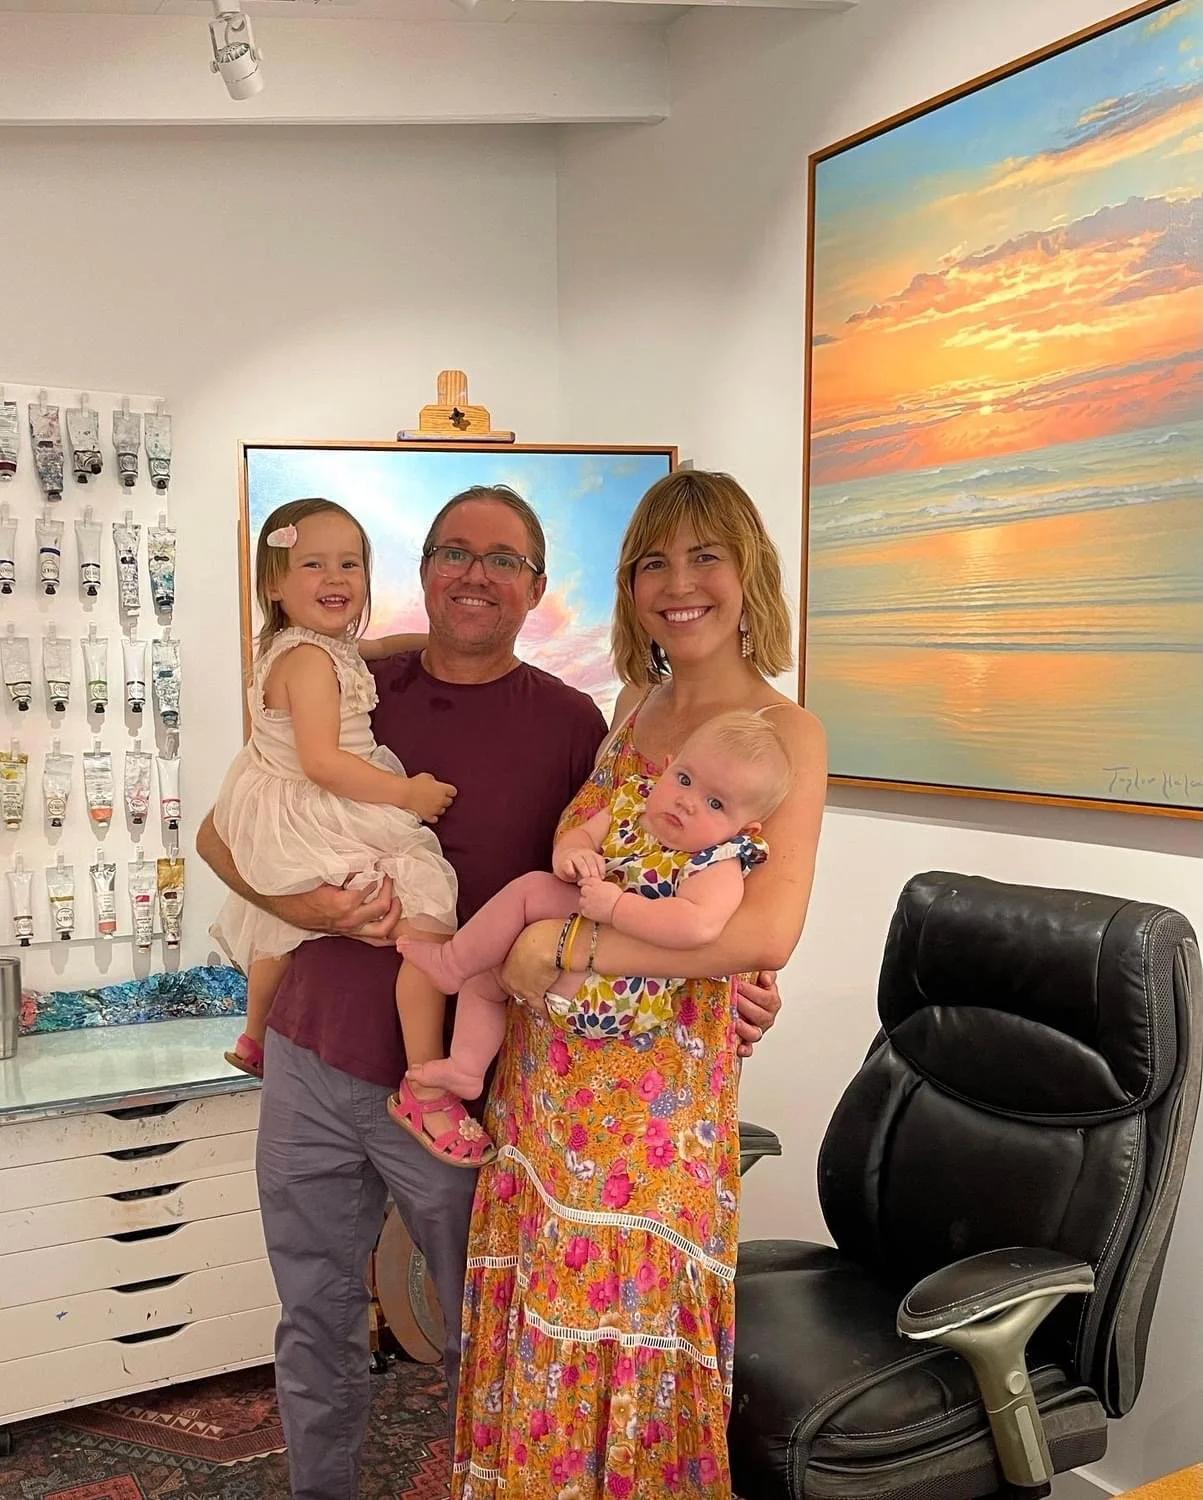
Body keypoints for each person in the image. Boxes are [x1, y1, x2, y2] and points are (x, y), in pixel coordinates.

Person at [198, 481, 784, 1500]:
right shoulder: (348, 683)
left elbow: (649, 869)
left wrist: (737, 977)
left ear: (536, 586)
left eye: (504, 559)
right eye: (454, 553)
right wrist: (312, 909)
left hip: (469, 1090)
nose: (476, 575)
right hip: (315, 1059)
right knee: (315, 1317)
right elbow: (220, 837)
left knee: (490, 1332)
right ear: (422, 572)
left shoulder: (576, 724)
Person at [451, 470, 827, 1500]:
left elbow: (764, 929)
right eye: (652, 563)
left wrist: (561, 948)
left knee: (624, 1330)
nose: (678, 584)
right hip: (544, 1089)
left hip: (650, 1111)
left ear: (749, 572)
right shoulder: (633, 706)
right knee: (540, 1337)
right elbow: (637, 871)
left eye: (705, 557)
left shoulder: (784, 731)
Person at [210, 498, 487, 1163]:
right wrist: (407, 794)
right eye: (313, 564)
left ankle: (254, 1035)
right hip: (322, 800)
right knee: (426, 904)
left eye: (349, 564)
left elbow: (373, 648)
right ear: (274, 584)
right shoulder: (310, 662)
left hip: (276, 807)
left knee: (278, 925)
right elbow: (324, 762)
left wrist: (424, 641)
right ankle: (425, 1081)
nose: (335, 577)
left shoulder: (313, 647)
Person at [399, 709, 791, 1112]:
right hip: (591, 921)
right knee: (488, 967)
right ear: (667, 766)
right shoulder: (636, 802)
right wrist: (575, 855)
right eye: (685, 779)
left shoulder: (714, 861)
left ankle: (451, 964)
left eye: (715, 803)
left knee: (522, 913)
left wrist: (618, 907)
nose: (687, 802)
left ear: (745, 830)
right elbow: (582, 834)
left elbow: (699, 926)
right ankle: (466, 1063)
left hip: (619, 987)